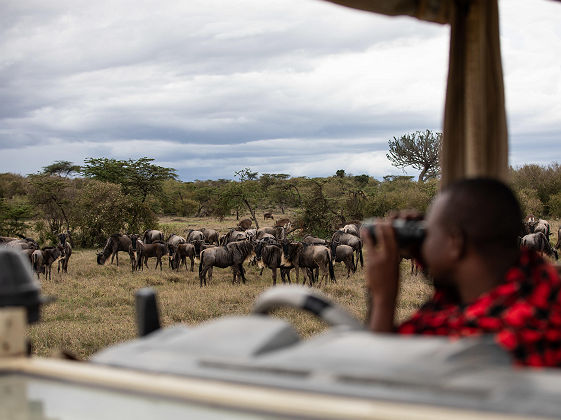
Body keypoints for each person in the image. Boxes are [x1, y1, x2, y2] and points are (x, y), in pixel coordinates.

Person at [362, 178, 561, 367]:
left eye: (428, 232)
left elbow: (375, 374)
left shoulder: (469, 341)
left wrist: (381, 298)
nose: (425, 239)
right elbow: (456, 289)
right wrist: (427, 249)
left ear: (455, 242)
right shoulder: (539, 278)